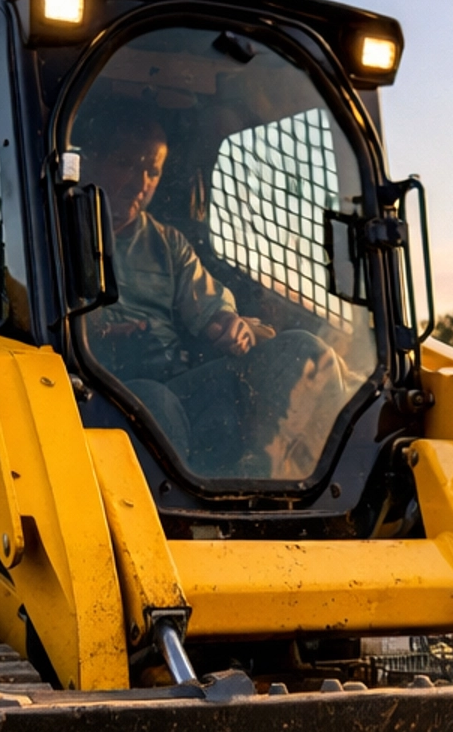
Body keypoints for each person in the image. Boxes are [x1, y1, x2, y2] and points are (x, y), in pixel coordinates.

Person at [80, 101, 359, 478]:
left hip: (176, 380)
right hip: (94, 390)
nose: (140, 182)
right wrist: (96, 334)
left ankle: (272, 488)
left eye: (152, 171)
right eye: (125, 163)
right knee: (152, 404)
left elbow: (211, 308)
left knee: (304, 351)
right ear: (92, 161)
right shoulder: (54, 231)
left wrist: (231, 325)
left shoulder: (168, 243)